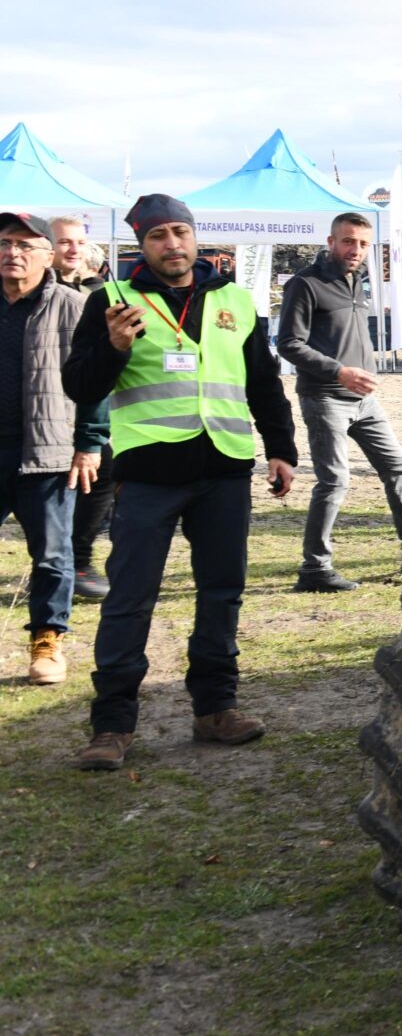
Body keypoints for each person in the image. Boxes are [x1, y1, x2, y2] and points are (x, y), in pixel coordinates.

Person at [60, 195, 298, 771]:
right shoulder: (111, 301)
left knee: (222, 592)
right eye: (159, 235)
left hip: (224, 469)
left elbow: (263, 382)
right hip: (148, 475)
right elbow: (79, 385)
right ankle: (112, 725)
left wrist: (282, 450)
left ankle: (215, 708)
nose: (173, 244)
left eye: (180, 232)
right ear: (141, 244)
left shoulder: (236, 300)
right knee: (129, 599)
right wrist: (114, 348)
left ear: (195, 238)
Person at [277, 212, 402, 593]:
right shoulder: (305, 284)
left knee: (397, 467)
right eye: (348, 241)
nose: (356, 250)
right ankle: (315, 569)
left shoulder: (357, 280)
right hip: (325, 396)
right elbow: (289, 344)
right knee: (334, 481)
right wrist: (339, 371)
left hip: (364, 399)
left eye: (363, 244)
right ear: (331, 242)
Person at [1, 213, 105, 686]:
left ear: (47, 255)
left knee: (52, 554)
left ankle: (47, 641)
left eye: (25, 245)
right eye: (5, 243)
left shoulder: (74, 305)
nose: (12, 253)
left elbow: (96, 381)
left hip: (46, 451)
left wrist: (88, 444)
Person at [53, 225, 113, 600]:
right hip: (39, 406)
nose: (74, 249)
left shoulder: (98, 295)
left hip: (82, 403)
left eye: (80, 242)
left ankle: (77, 560)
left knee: (99, 473)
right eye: (64, 242)